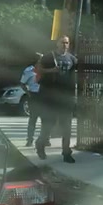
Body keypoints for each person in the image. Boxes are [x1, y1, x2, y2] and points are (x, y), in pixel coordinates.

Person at [35, 35, 77, 163]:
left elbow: (75, 75)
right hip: (50, 96)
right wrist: (51, 70)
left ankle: (66, 152)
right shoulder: (49, 57)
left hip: (65, 96)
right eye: (63, 42)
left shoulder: (72, 59)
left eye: (67, 43)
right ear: (57, 43)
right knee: (49, 124)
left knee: (67, 126)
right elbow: (38, 69)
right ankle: (40, 144)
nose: (65, 45)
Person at [19, 61, 42, 146]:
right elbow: (22, 83)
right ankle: (30, 139)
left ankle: (44, 139)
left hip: (44, 95)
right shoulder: (29, 71)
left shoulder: (46, 70)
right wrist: (28, 93)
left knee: (46, 119)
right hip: (34, 95)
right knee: (33, 118)